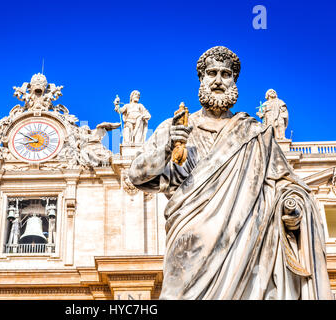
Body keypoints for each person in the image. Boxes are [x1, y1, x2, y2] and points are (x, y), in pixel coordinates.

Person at [129, 46, 333, 300]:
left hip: (245, 249)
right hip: (188, 247)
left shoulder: (255, 134)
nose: (218, 80)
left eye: (226, 75)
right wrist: (167, 148)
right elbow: (135, 175)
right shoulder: (176, 128)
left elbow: (287, 183)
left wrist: (292, 205)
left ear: (234, 81)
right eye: (211, 73)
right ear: (201, 79)